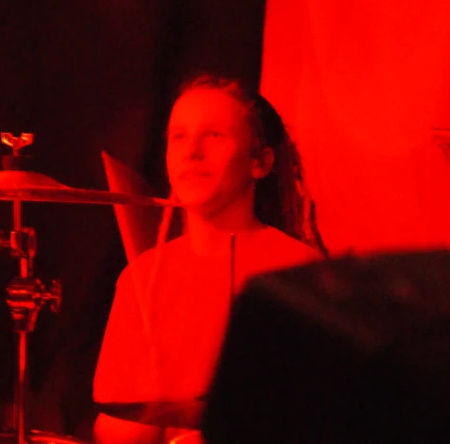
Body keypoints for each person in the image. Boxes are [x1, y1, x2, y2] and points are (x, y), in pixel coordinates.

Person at [92, 73, 328, 444]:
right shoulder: (141, 276)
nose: (192, 151)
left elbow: (320, 417)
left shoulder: (300, 273)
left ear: (260, 162)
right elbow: (113, 426)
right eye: (179, 137)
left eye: (214, 135)